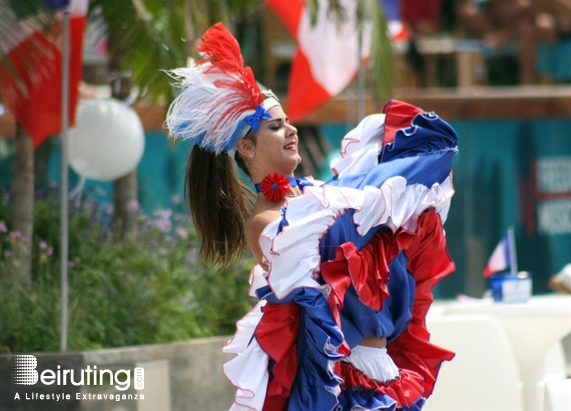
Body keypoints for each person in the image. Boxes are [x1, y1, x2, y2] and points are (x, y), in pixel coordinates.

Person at [165, 22, 458, 411]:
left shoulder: (318, 194)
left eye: (287, 122)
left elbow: (426, 154)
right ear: (247, 146)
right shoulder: (267, 222)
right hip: (343, 382)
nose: (291, 131)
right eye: (276, 126)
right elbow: (326, 285)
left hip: (382, 373)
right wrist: (376, 201)